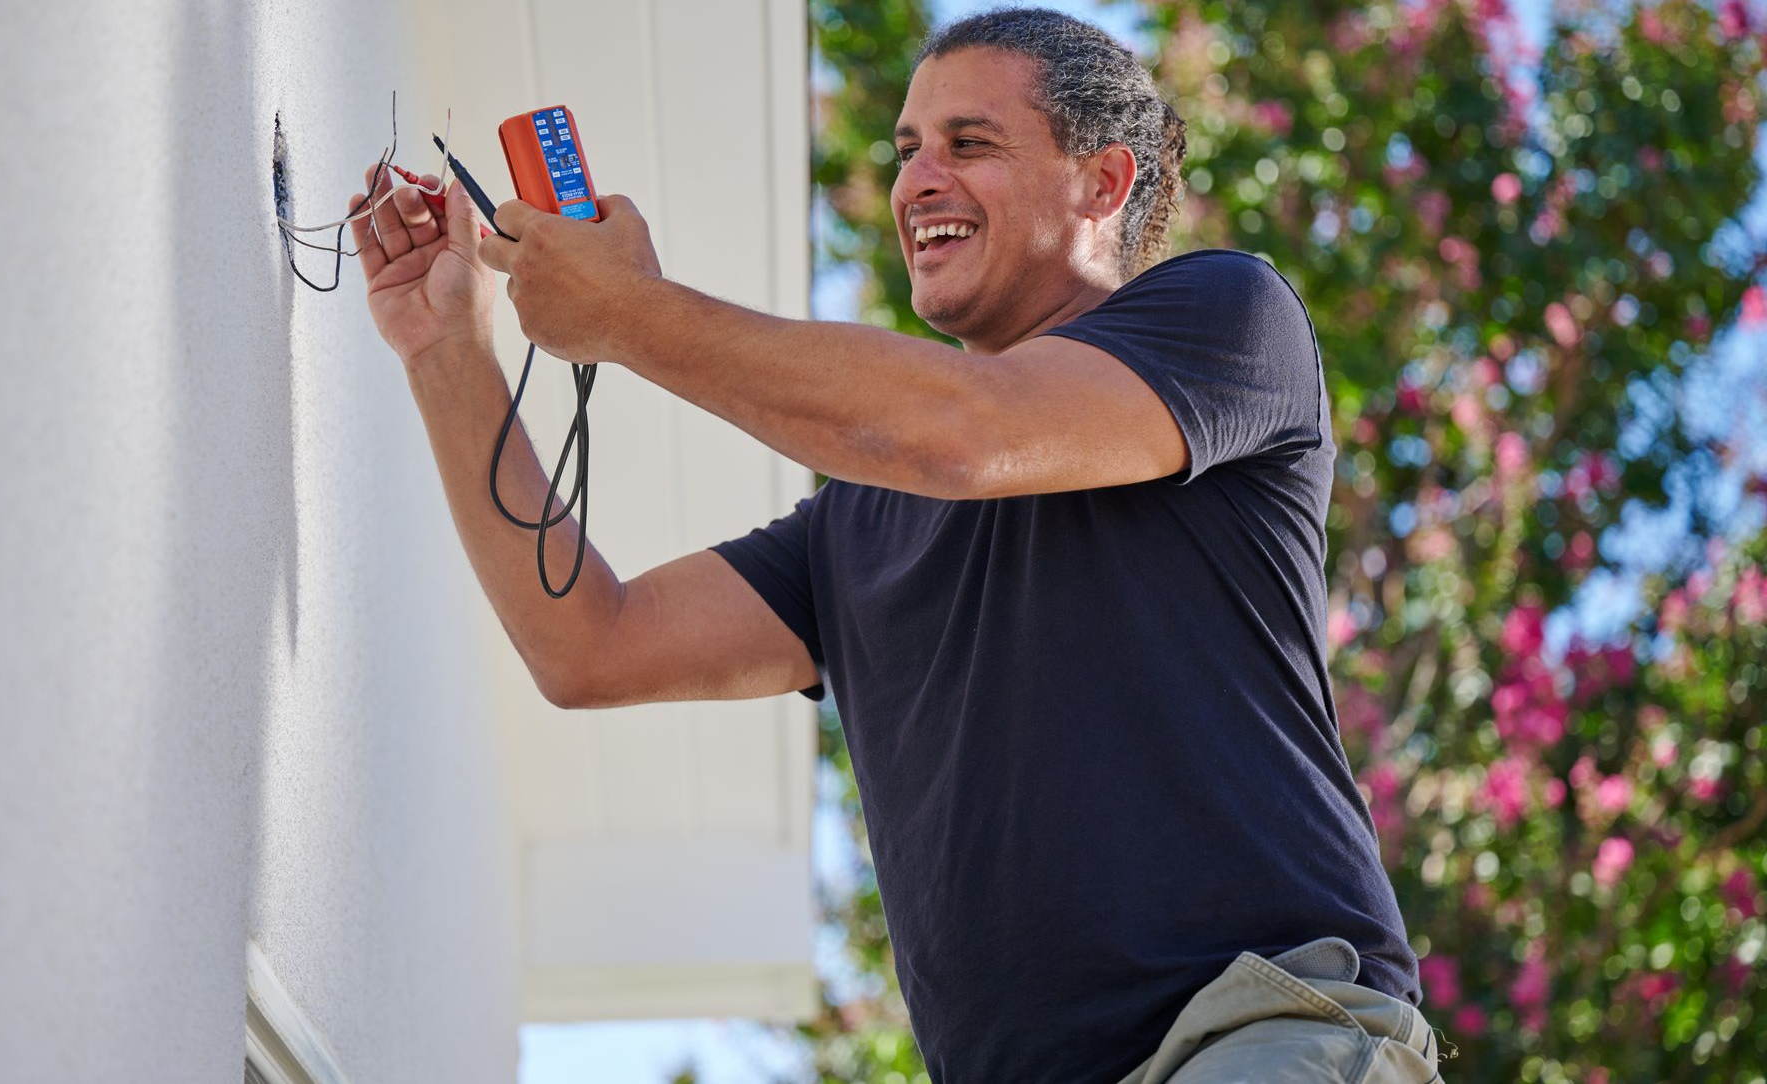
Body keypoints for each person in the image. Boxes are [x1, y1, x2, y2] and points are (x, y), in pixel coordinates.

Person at [350, 7, 1439, 1082]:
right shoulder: (856, 522)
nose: (919, 181)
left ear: (1105, 183)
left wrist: (631, 311)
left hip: (1264, 1031)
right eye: (909, 150)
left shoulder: (1226, 316)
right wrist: (447, 347)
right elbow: (588, 645)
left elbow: (970, 432)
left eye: (971, 144)